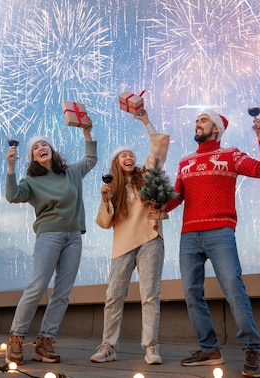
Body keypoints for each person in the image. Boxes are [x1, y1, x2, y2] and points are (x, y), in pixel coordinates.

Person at [164, 110, 260, 378]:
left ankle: (251, 348)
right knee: (192, 293)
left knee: (233, 288)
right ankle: (209, 348)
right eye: (196, 120)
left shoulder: (231, 155)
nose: (197, 123)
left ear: (217, 128)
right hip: (189, 235)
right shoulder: (185, 162)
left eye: (203, 120)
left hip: (221, 231)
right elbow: (176, 197)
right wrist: (155, 202)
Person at [3, 120, 97, 365]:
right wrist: (11, 168)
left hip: (74, 236)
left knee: (63, 293)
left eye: (45, 145)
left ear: (52, 151)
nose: (41, 148)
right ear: (33, 158)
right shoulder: (32, 182)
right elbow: (13, 196)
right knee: (36, 287)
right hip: (49, 235)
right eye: (36, 148)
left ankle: (45, 342)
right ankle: (16, 338)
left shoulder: (71, 173)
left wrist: (86, 130)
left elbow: (90, 159)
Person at [90, 110, 170, 365]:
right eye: (123, 154)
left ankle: (151, 347)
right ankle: (108, 346)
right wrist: (105, 199)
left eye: (132, 155)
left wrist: (146, 120)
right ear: (115, 162)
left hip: (150, 240)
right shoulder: (111, 189)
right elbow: (104, 222)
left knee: (150, 295)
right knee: (113, 296)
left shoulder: (145, 176)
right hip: (122, 246)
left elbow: (157, 147)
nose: (129, 156)